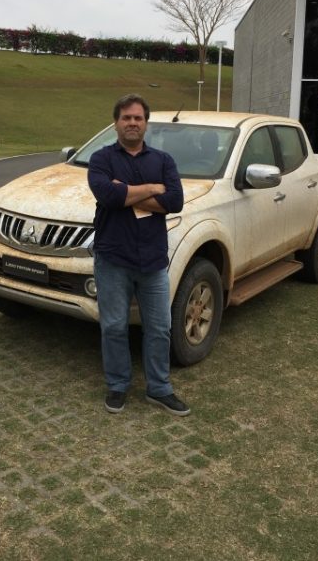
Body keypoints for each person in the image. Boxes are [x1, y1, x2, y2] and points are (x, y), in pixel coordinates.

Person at [87, 93, 190, 416]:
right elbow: (107, 195)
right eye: (126, 118)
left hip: (153, 260)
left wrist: (127, 192)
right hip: (112, 258)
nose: (132, 123)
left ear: (146, 123)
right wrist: (153, 188)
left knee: (159, 328)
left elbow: (175, 202)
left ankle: (159, 388)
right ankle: (118, 385)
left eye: (138, 118)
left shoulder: (163, 160)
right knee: (114, 327)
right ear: (116, 123)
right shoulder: (101, 159)